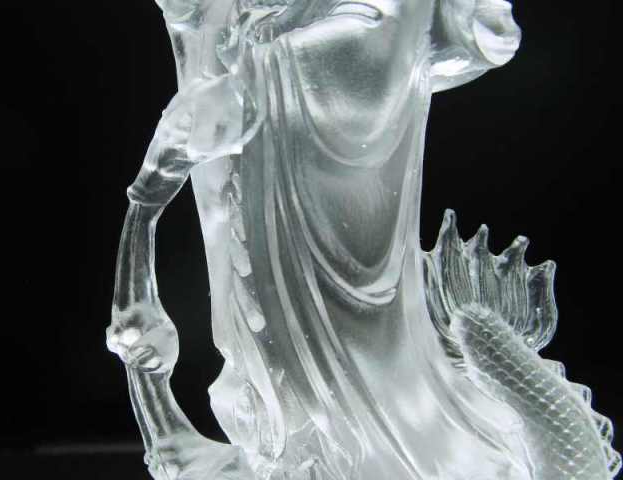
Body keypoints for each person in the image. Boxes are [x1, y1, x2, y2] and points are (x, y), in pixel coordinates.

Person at [107, 1, 528, 479]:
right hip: (259, 316)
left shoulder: (368, 25)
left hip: (357, 305)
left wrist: (248, 94)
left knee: (363, 412)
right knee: (267, 395)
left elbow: (397, 35)